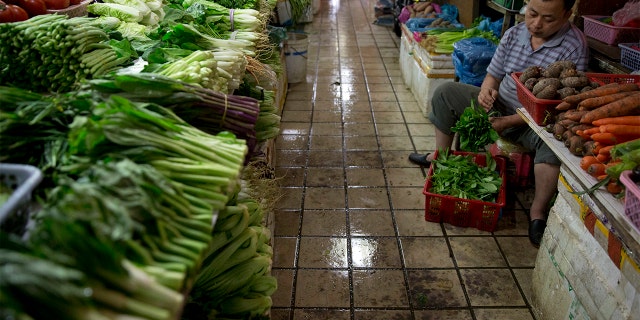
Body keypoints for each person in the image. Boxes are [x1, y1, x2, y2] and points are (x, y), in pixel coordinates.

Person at [408, 0, 589, 246]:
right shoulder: (514, 34)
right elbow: (493, 75)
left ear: (567, 15)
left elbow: (561, 104)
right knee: (446, 93)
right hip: (497, 107)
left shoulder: (573, 46)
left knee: (555, 143)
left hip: (536, 122)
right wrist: (486, 92)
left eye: (548, 19)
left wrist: (507, 122)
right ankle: (439, 156)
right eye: (532, 14)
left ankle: (537, 212)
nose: (536, 24)